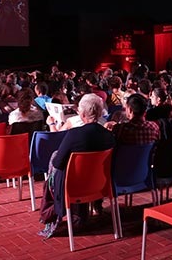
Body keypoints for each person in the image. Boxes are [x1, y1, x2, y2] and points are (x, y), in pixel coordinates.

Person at [38, 94, 115, 238]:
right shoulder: (108, 135)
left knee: (53, 169)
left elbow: (57, 163)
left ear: (83, 114)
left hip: (74, 187)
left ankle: (50, 215)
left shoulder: (74, 134)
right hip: (100, 186)